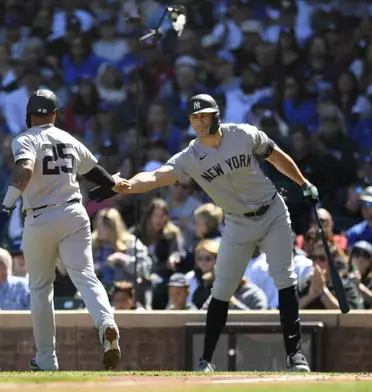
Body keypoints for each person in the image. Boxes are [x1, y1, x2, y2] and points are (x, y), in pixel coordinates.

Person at [102, 94, 319, 372]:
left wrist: (303, 182)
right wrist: (129, 185)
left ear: (216, 115)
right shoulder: (190, 157)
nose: (200, 121)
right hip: (237, 222)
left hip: (272, 212)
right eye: (194, 117)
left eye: (204, 115)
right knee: (222, 288)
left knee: (284, 279)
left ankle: (295, 355)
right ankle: (206, 359)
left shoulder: (243, 133)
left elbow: (276, 157)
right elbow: (157, 176)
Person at [0, 89, 127, 371]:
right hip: (74, 213)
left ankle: (46, 358)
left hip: (40, 217)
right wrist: (112, 186)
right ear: (54, 115)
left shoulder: (25, 139)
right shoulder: (68, 138)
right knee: (86, 277)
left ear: (29, 115)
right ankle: (106, 324)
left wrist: (6, 207)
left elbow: (26, 169)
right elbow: (95, 171)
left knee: (41, 288)